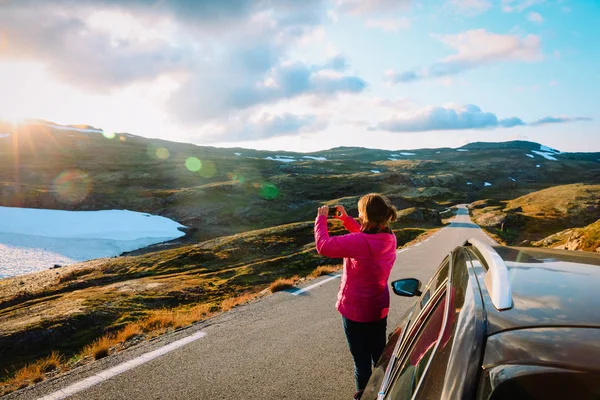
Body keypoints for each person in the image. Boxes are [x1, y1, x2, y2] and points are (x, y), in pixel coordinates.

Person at [314, 193, 398, 400]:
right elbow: (366, 237)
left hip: (354, 309)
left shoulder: (360, 242)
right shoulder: (389, 237)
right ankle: (388, 391)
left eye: (360, 213)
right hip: (378, 307)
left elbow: (323, 246)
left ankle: (365, 397)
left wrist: (321, 219)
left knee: (361, 361)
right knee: (379, 355)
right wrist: (345, 219)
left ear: (366, 216)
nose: (358, 216)